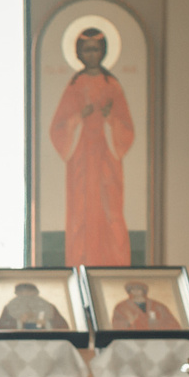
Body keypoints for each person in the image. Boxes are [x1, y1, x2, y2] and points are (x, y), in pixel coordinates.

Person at [50, 27, 134, 265]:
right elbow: (58, 127)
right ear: (79, 53)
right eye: (86, 50)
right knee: (81, 214)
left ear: (103, 51)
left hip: (107, 159)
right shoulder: (74, 86)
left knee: (110, 213)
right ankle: (80, 265)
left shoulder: (112, 85)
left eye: (95, 49)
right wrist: (78, 117)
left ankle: (113, 267)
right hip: (81, 161)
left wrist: (110, 119)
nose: (91, 54)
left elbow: (127, 128)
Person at [0, 282, 68, 332]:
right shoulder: (9, 308)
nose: (27, 296)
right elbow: (2, 328)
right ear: (17, 293)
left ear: (36, 293)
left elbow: (63, 327)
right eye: (23, 292)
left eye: (30, 292)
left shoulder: (49, 307)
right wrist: (19, 322)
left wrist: (46, 323)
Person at [111, 282, 180, 330]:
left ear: (143, 290)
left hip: (156, 339)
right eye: (132, 289)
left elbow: (171, 322)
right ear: (129, 291)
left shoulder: (158, 306)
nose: (136, 291)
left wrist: (157, 323)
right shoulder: (121, 307)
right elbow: (116, 324)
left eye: (138, 288)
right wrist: (128, 322)